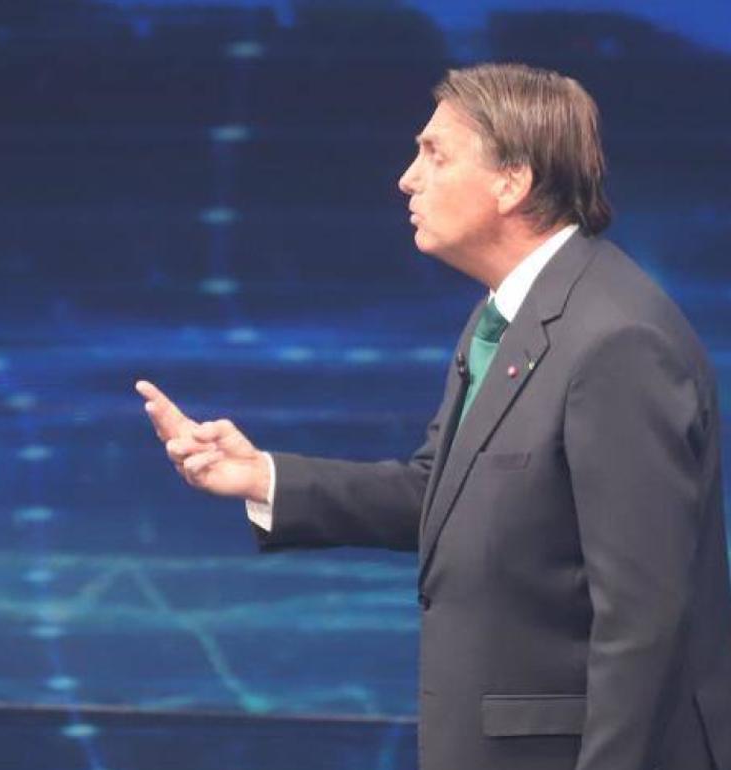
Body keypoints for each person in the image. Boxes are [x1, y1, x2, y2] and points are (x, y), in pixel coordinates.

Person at [137, 63, 731, 769]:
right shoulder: (505, 316)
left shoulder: (616, 342)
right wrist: (260, 476)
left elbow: (645, 620)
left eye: (435, 154)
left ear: (512, 182)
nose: (407, 178)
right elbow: (441, 494)